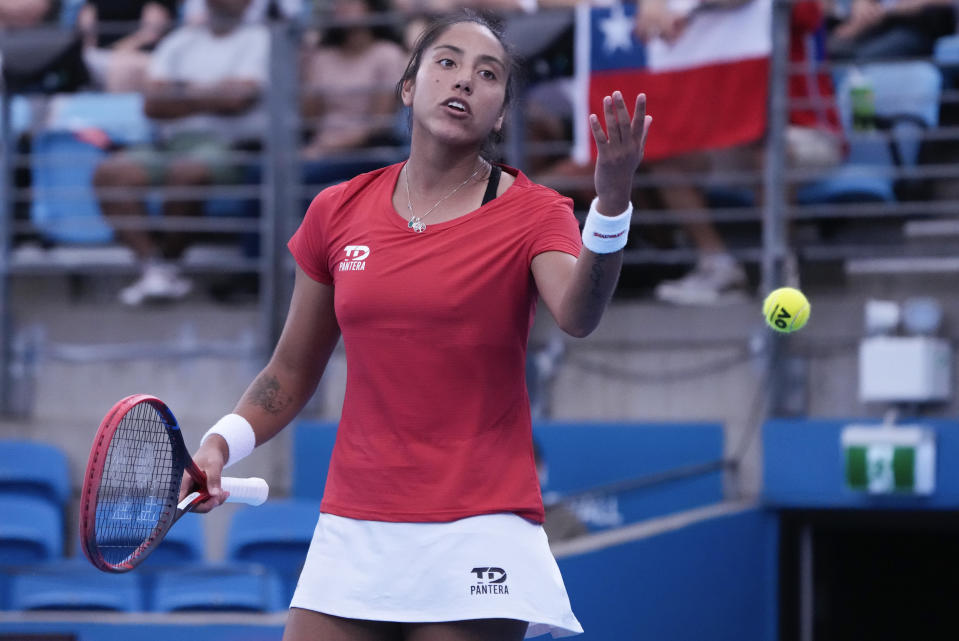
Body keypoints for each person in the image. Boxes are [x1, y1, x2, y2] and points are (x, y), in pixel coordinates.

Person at [182, 10, 650, 640]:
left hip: (479, 521)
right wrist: (220, 443)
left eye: (488, 76)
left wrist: (612, 203)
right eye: (447, 63)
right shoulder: (336, 210)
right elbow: (290, 371)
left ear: (501, 113)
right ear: (409, 85)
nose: (463, 82)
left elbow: (579, 314)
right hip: (357, 521)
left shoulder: (535, 212)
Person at [92, 0, 269, 306]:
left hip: (234, 148)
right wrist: (215, 91)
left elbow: (239, 99)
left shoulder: (262, 38)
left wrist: (180, 90)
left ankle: (167, 266)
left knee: (187, 171)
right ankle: (156, 271)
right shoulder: (180, 40)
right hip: (171, 144)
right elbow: (152, 104)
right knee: (111, 173)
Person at [299, 0, 407, 191]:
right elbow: (309, 117)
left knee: (301, 176)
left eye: (350, 3)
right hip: (319, 147)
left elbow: (380, 124)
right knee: (262, 174)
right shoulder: (323, 56)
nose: (341, 7)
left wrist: (329, 146)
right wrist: (308, 66)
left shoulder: (386, 54)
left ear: (371, 8)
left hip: (365, 151)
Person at [76, 0, 176, 93]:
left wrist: (120, 48)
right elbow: (87, 25)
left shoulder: (154, 4)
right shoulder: (95, 4)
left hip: (144, 51)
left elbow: (151, 32)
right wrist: (88, 45)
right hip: (103, 51)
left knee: (125, 67)